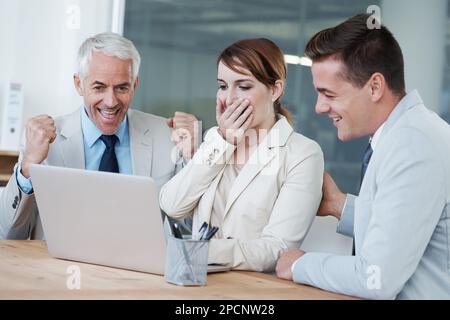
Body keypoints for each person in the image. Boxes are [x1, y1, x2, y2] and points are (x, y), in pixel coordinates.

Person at [276, 14, 450, 299]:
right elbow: (404, 223)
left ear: (375, 87)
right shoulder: (404, 134)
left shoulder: (414, 146)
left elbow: (377, 278)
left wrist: (300, 264)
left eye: (328, 94)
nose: (319, 107)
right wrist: (339, 205)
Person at [0, 32, 198, 240]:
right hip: (61, 270)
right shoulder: (45, 142)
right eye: (99, 87)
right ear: (79, 84)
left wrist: (195, 161)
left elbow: (191, 233)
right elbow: (10, 233)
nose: (111, 101)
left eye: (122, 88)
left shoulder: (167, 136)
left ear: (135, 85)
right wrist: (29, 165)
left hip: (139, 271)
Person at [160, 38, 324, 272]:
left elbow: (278, 248)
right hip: (197, 280)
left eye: (244, 87)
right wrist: (223, 140)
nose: (229, 99)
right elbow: (172, 205)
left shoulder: (303, 154)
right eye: (223, 86)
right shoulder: (215, 140)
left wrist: (202, 250)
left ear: (275, 90)